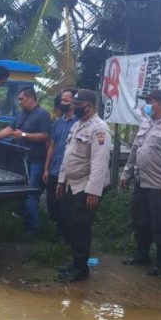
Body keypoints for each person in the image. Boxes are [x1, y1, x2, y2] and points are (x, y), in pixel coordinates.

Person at [120, 90, 161, 276]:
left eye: (149, 102)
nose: (146, 106)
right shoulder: (146, 123)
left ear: (160, 103)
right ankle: (142, 253)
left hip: (159, 185)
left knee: (160, 223)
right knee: (140, 219)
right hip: (142, 181)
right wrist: (126, 173)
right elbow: (135, 150)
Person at [55, 89, 111, 282]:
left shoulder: (99, 128)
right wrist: (62, 180)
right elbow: (67, 156)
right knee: (71, 225)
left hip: (86, 187)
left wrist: (94, 192)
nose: (75, 108)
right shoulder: (77, 125)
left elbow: (99, 163)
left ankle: (81, 269)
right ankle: (75, 263)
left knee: (81, 227)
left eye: (78, 106)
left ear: (90, 106)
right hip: (72, 184)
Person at [0, 86, 51, 235]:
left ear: (31, 98)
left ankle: (35, 227)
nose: (19, 102)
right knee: (21, 193)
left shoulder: (43, 114)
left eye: (21, 99)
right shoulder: (21, 115)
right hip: (20, 160)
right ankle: (26, 222)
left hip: (35, 160)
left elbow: (45, 136)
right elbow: (9, 130)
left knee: (30, 193)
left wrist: (24, 135)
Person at [44, 88, 78, 242]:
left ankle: (66, 235)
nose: (62, 103)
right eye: (61, 100)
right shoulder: (58, 123)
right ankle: (59, 230)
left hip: (69, 172)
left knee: (65, 205)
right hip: (54, 169)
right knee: (52, 203)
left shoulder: (79, 123)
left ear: (73, 103)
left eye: (65, 100)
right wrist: (46, 168)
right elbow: (52, 146)